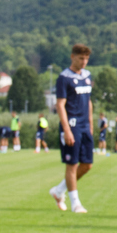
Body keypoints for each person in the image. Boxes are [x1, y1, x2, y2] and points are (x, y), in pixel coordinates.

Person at [48, 45, 94, 214]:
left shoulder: (87, 76)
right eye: (81, 58)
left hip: (85, 126)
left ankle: (59, 190)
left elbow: (88, 101)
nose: (84, 62)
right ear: (72, 57)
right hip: (72, 125)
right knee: (72, 165)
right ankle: (76, 203)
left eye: (87, 59)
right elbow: (60, 105)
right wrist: (66, 129)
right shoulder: (63, 78)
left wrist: (91, 123)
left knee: (87, 165)